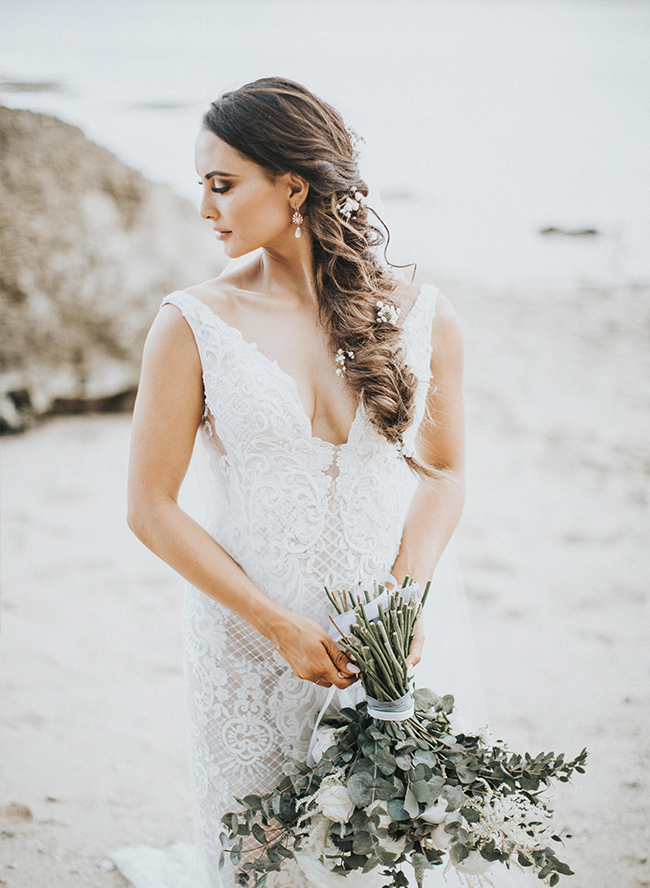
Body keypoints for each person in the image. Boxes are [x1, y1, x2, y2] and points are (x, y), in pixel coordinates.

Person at [127, 77, 508, 888]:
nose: (204, 207)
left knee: (392, 859)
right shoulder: (191, 322)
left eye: (222, 184)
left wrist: (401, 605)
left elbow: (443, 472)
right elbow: (150, 507)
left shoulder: (424, 314)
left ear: (292, 184)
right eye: (202, 184)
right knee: (259, 858)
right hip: (248, 640)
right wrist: (275, 625)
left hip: (388, 641)